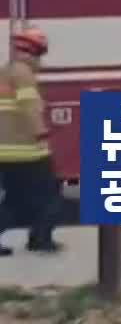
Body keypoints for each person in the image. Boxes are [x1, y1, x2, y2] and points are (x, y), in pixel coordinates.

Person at [0, 28, 61, 254]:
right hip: (28, 151)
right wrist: (41, 132)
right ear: (34, 51)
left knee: (15, 201)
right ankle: (41, 240)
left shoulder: (5, 73)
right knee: (51, 196)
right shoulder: (23, 75)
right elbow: (29, 106)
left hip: (6, 151)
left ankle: (39, 238)